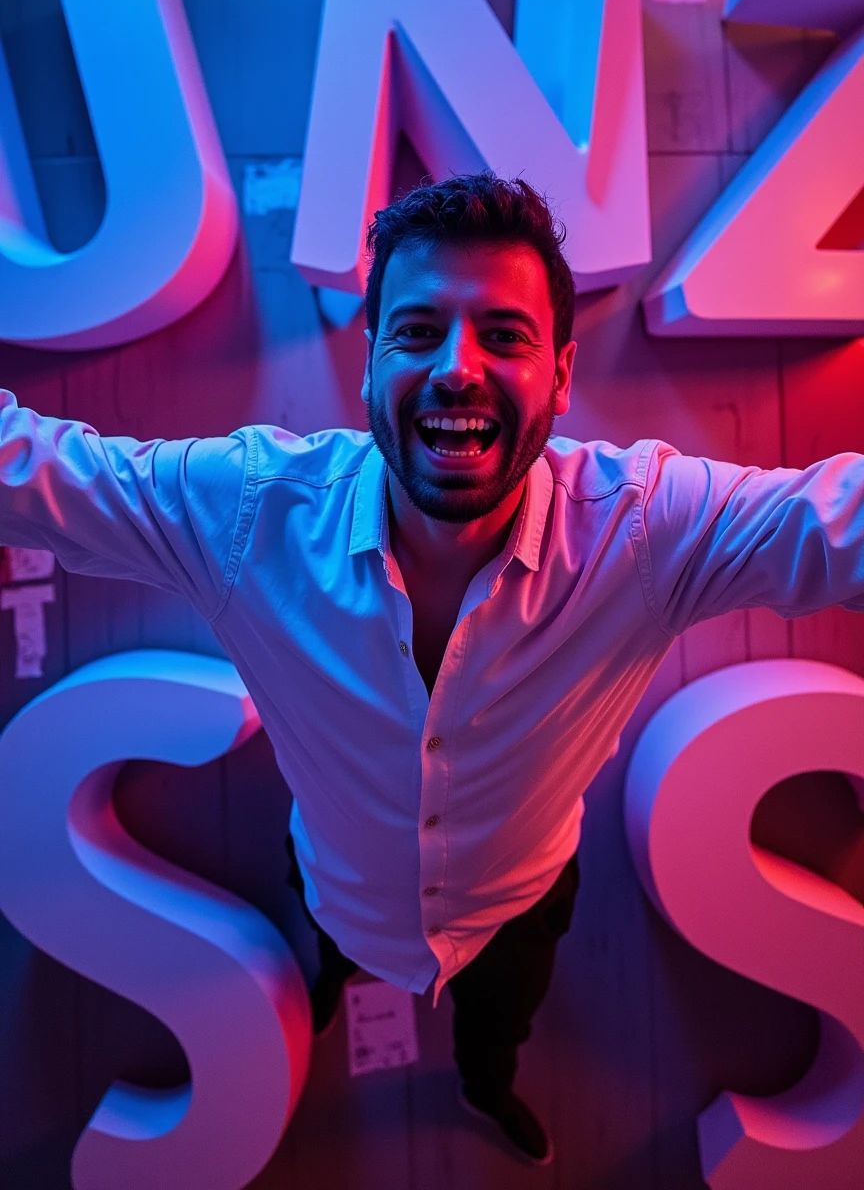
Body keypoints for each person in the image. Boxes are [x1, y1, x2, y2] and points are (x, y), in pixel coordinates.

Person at [1, 171, 863, 1166]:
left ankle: (485, 1084)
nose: (458, 368)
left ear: (561, 374)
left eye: (505, 334)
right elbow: (35, 476)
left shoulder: (646, 531)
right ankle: (319, 987)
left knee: (501, 1025)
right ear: (368, 364)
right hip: (334, 883)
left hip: (522, 899)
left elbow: (834, 526)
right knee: (320, 959)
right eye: (417, 332)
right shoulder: (249, 515)